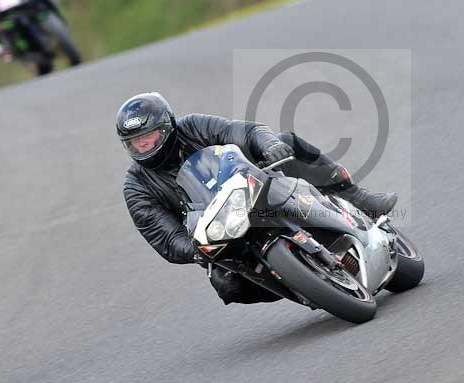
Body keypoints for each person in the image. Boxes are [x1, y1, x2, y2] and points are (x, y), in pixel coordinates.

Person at [117, 92, 397, 305]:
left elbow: (242, 131)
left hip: (254, 185)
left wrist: (270, 145)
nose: (144, 146)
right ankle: (303, 285)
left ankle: (360, 200)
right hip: (217, 231)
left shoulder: (193, 127)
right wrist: (195, 251)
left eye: (150, 136)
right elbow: (164, 237)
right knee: (227, 286)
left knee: (286, 141)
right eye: (136, 142)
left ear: (167, 127)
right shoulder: (136, 186)